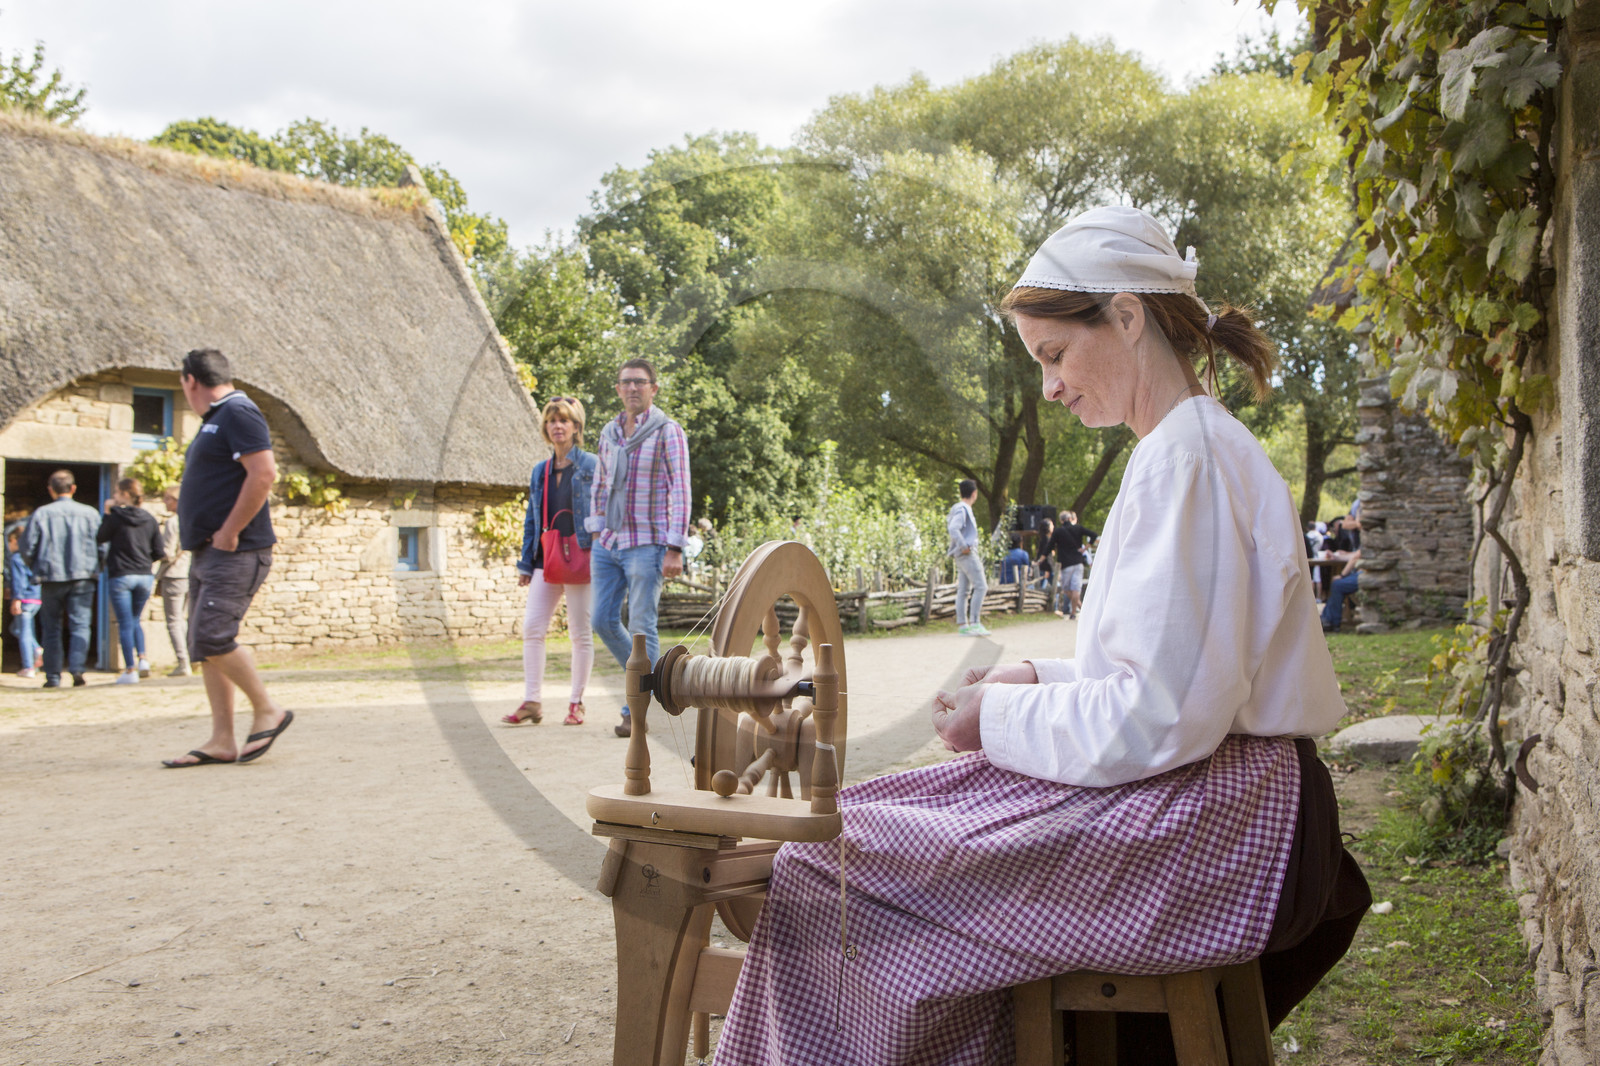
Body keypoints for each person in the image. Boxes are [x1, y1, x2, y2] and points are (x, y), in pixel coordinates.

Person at [715, 206, 1369, 1065]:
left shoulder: (1188, 460)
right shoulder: (1184, 450)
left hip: (1214, 822)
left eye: (1055, 356)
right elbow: (1178, 676)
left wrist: (993, 721)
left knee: (834, 862)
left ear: (1127, 317)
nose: (1051, 387)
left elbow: (1163, 717)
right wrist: (1037, 679)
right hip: (1206, 795)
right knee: (872, 826)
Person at [161, 348, 293, 767]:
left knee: (214, 636)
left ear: (189, 381)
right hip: (208, 549)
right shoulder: (217, 419)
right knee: (203, 643)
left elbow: (265, 472)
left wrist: (231, 531)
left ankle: (267, 709)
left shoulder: (238, 412)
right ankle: (222, 739)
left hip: (236, 550)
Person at [586, 358, 691, 738]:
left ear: (653, 389)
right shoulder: (609, 433)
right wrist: (597, 533)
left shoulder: (668, 431)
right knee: (601, 619)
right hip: (610, 542)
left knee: (642, 627)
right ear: (618, 388)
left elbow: (680, 490)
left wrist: (675, 547)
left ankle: (636, 709)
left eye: (640, 382)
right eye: (626, 382)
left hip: (647, 543)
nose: (632, 388)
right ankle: (651, 683)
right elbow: (599, 483)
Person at [505, 397, 597, 727]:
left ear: (576, 427)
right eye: (551, 421)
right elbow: (533, 517)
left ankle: (577, 703)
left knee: (579, 633)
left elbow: (602, 513)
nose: (557, 426)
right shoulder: (540, 471)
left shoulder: (590, 465)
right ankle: (532, 701)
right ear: (546, 428)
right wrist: (527, 563)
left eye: (564, 421)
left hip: (582, 559)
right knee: (532, 628)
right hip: (547, 559)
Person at [20, 470, 100, 688]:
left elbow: (26, 547)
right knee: (80, 625)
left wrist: (35, 566)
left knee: (51, 628)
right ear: (73, 488)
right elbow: (102, 545)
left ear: (50, 490)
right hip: (83, 577)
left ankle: (53, 676)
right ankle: (77, 670)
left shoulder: (41, 514)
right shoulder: (90, 514)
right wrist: (96, 567)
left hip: (50, 577)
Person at [98, 477, 163, 684]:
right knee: (136, 619)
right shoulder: (150, 519)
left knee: (125, 623)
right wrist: (143, 562)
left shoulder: (116, 517)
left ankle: (129, 669)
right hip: (144, 576)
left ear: (125, 495)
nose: (114, 497)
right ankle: (143, 659)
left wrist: (107, 513)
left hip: (122, 576)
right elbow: (159, 551)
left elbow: (100, 537)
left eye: (116, 493)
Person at [155, 486, 192, 676]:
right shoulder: (193, 518)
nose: (165, 502)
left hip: (174, 574)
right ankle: (191, 658)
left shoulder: (173, 522)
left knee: (174, 621)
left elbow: (168, 553)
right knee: (184, 619)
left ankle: (183, 662)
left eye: (168, 499)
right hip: (190, 573)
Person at [947, 479, 989, 637]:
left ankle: (963, 624)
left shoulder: (956, 508)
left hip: (959, 555)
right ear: (974, 493)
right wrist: (963, 546)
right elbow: (953, 528)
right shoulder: (964, 508)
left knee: (964, 589)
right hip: (967, 553)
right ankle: (975, 622)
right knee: (981, 586)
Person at [1046, 508, 1098, 619]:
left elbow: (1049, 546)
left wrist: (1041, 557)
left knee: (1066, 589)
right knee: (1076, 588)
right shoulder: (1078, 528)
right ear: (1070, 518)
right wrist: (1085, 548)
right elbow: (1093, 535)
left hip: (1066, 564)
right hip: (1078, 562)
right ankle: (1074, 612)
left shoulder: (1058, 532)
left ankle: (1078, 610)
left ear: (1061, 520)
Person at [6, 525, 43, 678]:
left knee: (24, 633)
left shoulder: (16, 557)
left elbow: (19, 581)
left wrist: (17, 599)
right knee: (17, 629)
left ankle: (28, 667)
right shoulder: (33, 556)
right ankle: (36, 649)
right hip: (36, 597)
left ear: (14, 540)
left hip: (25, 599)